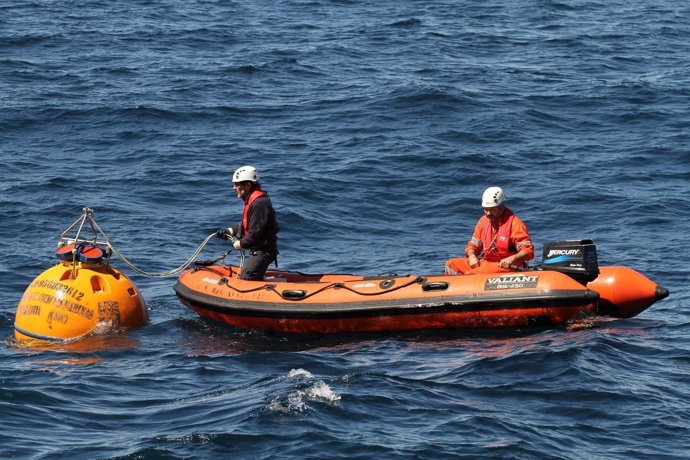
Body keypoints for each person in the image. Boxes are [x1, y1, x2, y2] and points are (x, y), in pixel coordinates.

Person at [445, 186, 534, 275]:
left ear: (501, 207)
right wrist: (472, 256)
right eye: (485, 209)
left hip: (505, 267)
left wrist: (511, 259)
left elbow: (528, 252)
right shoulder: (483, 221)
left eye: (491, 209)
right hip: (485, 263)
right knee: (450, 264)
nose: (488, 213)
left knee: (470, 274)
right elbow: (472, 246)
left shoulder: (515, 223)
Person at [216, 165, 279, 280]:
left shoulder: (259, 204)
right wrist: (230, 231)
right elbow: (249, 226)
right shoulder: (253, 201)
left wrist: (239, 244)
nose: (234, 188)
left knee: (247, 278)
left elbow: (254, 235)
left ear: (248, 185)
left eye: (237, 185)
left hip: (264, 251)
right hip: (259, 250)